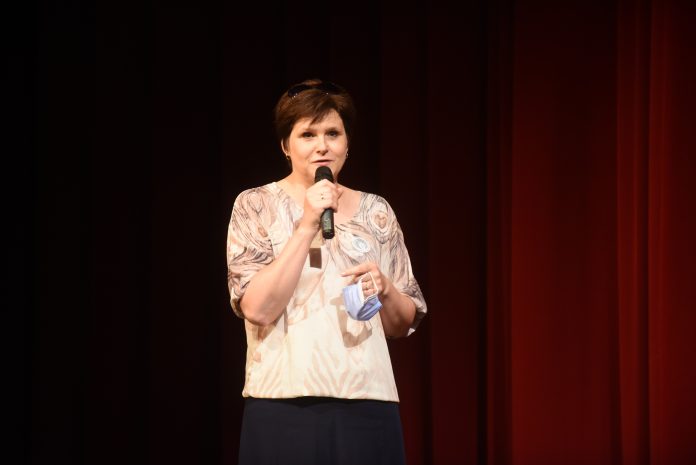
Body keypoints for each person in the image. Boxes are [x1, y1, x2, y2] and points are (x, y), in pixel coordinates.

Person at [226, 78, 427, 465]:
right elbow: (257, 308)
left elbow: (402, 323)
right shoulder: (255, 205)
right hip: (283, 404)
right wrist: (306, 225)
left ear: (347, 143)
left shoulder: (377, 211)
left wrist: (385, 289)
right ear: (286, 146)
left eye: (333, 133)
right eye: (308, 134)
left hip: (369, 402)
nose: (322, 145)